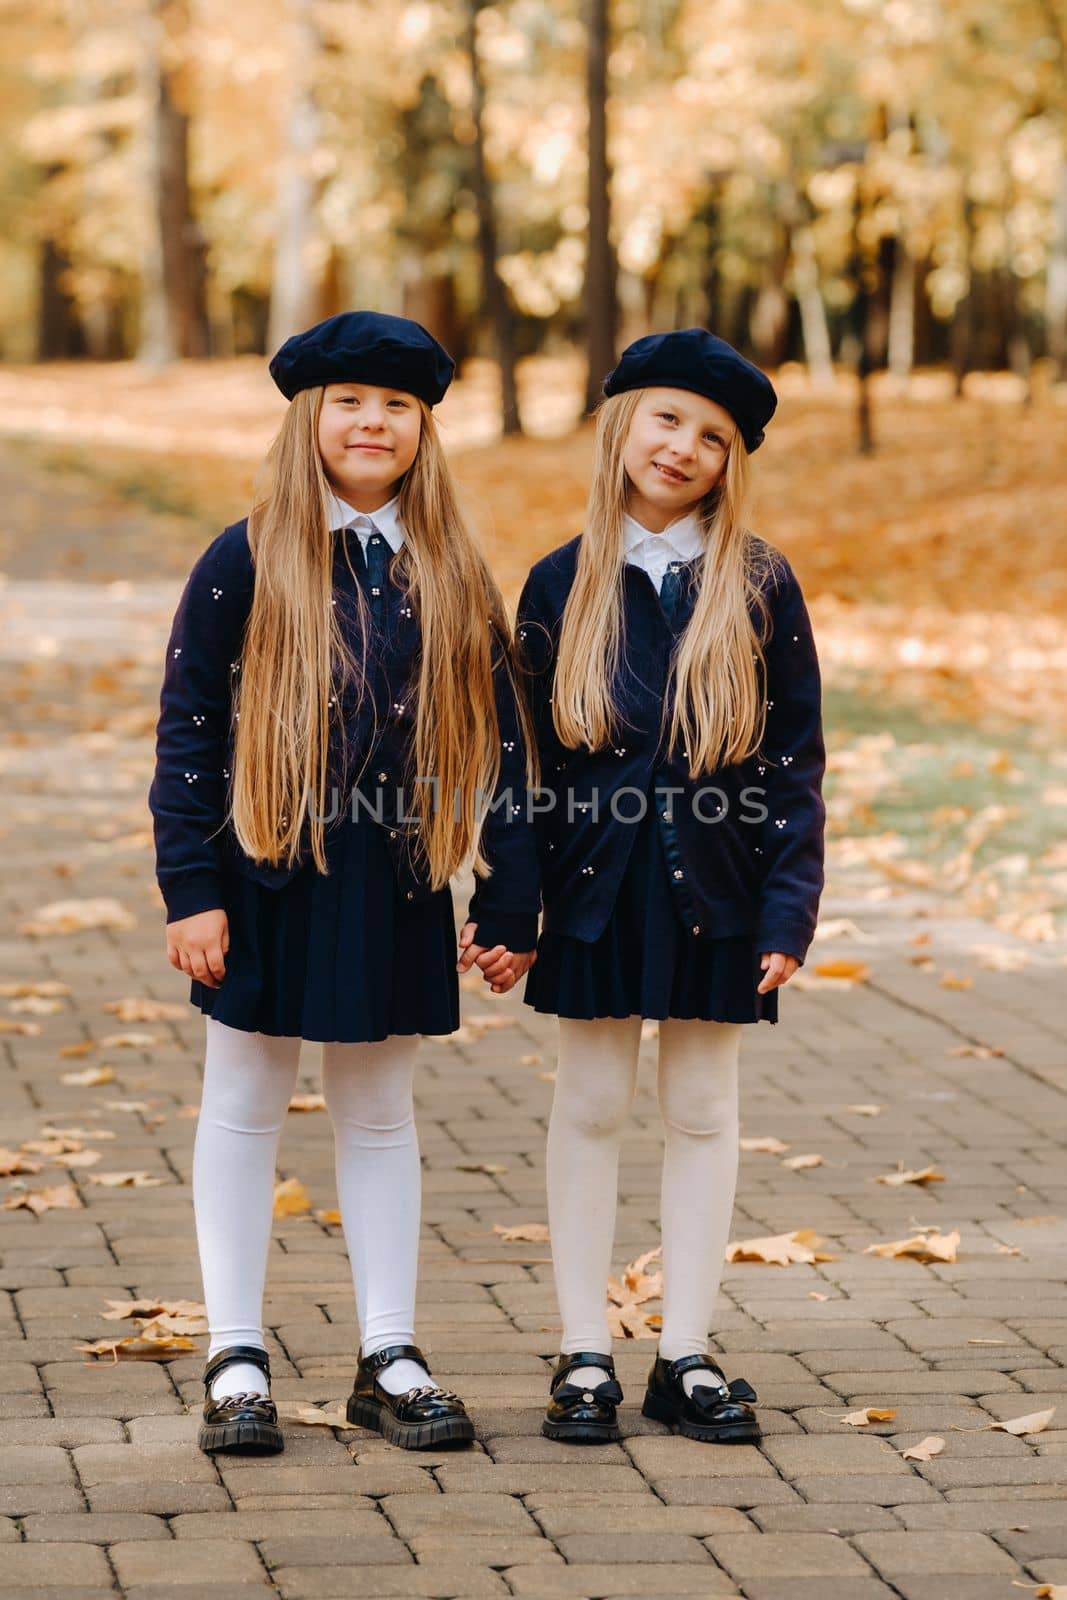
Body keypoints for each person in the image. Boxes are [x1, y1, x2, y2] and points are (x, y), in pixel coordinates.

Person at [149, 311, 538, 1455]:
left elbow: (507, 744)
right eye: (351, 402)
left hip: (397, 876)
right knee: (244, 1103)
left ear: (423, 430)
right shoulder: (245, 554)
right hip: (262, 871)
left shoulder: (452, 569)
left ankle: (389, 1350)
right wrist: (190, 887)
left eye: (398, 407)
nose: (373, 422)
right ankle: (233, 1354)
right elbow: (187, 731)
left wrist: (507, 893)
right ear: (308, 418)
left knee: (377, 1116)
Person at [516, 329, 825, 1445]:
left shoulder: (757, 583)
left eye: (712, 435)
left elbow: (794, 758)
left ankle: (683, 1350)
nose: (683, 446)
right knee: (590, 1107)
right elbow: (525, 768)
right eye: (665, 418)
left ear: (731, 460)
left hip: (721, 894)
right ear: (620, 425)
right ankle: (585, 1354)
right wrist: (511, 907)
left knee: (700, 1113)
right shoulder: (561, 582)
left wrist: (790, 907)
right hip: (594, 893)